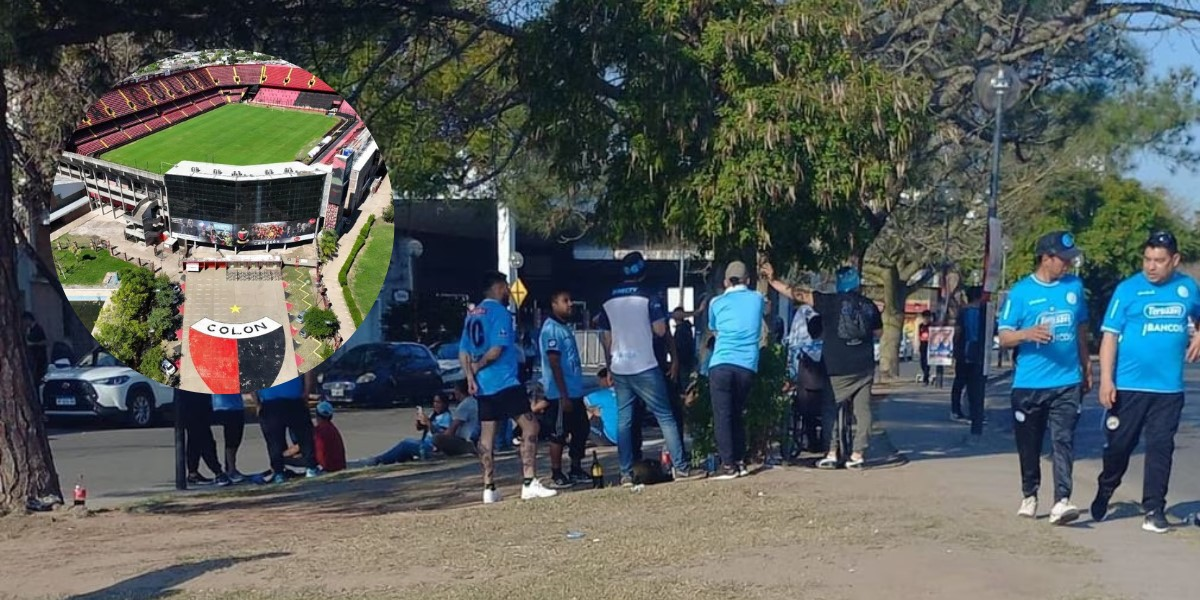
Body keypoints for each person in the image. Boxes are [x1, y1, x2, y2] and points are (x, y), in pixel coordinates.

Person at [1091, 230, 1200, 533]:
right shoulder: (1128, 290)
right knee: (1120, 447)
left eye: (1159, 261)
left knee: (1161, 447)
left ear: (1174, 261)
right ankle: (1106, 486)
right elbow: (1109, 337)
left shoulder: (1188, 288)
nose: (1151, 267)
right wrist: (1106, 381)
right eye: (1147, 259)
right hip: (1128, 387)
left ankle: (1154, 508)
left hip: (1168, 390)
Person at [997, 230, 1090, 525]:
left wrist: (1087, 367)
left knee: (1063, 440)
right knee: (1030, 444)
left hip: (1066, 381)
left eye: (1070, 259)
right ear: (1046, 258)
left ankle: (1062, 500)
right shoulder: (1021, 292)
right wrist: (1027, 334)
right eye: (1063, 259)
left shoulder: (1074, 286)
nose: (1068, 264)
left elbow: (1080, 331)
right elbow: (1004, 337)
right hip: (1029, 384)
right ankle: (1030, 493)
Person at [764, 262, 881, 470]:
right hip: (864, 366)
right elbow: (878, 334)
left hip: (836, 367)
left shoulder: (829, 302)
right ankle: (858, 453)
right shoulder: (869, 305)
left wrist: (773, 281)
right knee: (863, 410)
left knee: (830, 408)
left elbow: (798, 295)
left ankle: (831, 452)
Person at [597, 251, 700, 486]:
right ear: (643, 271)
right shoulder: (649, 296)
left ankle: (625, 473)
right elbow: (661, 330)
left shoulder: (608, 299)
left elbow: (605, 337)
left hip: (620, 365)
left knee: (625, 420)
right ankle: (681, 468)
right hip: (645, 364)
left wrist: (610, 365)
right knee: (665, 416)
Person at [459, 271, 556, 503]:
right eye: (504, 287)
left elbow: (463, 350)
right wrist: (480, 366)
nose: (507, 291)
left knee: (487, 435)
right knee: (530, 427)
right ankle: (529, 480)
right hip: (504, 380)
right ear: (496, 287)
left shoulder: (472, 315)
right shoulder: (501, 314)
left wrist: (470, 376)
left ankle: (489, 486)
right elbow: (497, 349)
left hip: (483, 386)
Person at [706, 261, 766, 480]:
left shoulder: (716, 302)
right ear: (748, 280)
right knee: (738, 413)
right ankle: (740, 460)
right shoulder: (757, 299)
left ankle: (728, 464)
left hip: (721, 362)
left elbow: (713, 327)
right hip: (746, 365)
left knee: (723, 415)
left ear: (725, 282)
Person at [540, 290, 592, 488]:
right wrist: (563, 395)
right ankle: (556, 472)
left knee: (581, 430)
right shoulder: (551, 329)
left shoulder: (564, 328)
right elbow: (554, 362)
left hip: (575, 391)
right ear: (554, 304)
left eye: (570, 300)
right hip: (561, 394)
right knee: (558, 433)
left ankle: (576, 468)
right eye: (565, 301)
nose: (570, 304)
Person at [257, 374, 320, 483]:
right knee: (304, 436)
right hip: (293, 398)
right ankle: (310, 468)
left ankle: (279, 472)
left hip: (270, 400)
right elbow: (309, 372)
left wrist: (257, 401)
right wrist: (307, 392)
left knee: (274, 440)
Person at [365, 394, 454, 465]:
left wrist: (428, 423)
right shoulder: (433, 415)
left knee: (405, 444)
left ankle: (379, 460)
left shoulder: (446, 417)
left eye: (439, 402)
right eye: (435, 402)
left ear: (445, 404)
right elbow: (420, 428)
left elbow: (442, 435)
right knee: (406, 446)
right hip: (424, 443)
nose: (436, 405)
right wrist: (419, 421)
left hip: (431, 447)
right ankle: (391, 460)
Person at [955, 287, 988, 438]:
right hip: (979, 351)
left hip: (964, 350)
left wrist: (955, 348)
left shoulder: (963, 311)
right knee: (976, 384)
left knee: (960, 382)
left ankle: (957, 410)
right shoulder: (984, 311)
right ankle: (975, 413)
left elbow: (958, 331)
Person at [178, 389, 228, 486]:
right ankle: (218, 472)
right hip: (194, 409)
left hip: (197, 408)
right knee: (205, 441)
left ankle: (193, 473)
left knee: (194, 443)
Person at [286, 401, 346, 473]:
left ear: (317, 415)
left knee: (283, 459)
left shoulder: (318, 430)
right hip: (339, 464)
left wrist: (281, 456)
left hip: (328, 465)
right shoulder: (332, 428)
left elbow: (298, 447)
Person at [432, 381, 481, 456]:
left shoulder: (464, 406)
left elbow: (452, 429)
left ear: (459, 391)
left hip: (465, 440)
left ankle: (467, 449)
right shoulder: (474, 401)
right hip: (475, 437)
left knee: (437, 438)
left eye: (455, 390)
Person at [211, 393, 248, 483]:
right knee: (231, 439)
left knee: (235, 439)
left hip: (236, 406)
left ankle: (231, 468)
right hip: (221, 406)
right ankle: (231, 470)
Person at [584, 368, 619, 446]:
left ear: (606, 379)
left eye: (600, 380)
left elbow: (580, 405)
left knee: (585, 414)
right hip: (627, 439)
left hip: (609, 439)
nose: (599, 383)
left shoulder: (601, 394)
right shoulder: (625, 394)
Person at [23, 312, 48, 386]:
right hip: (33, 358)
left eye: (25, 320)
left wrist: (33, 344)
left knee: (38, 378)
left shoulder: (38, 329)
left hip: (39, 358)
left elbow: (45, 342)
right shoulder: (29, 330)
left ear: (28, 319)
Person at [918, 311, 932, 385]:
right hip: (922, 344)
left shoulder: (931, 326)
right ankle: (925, 373)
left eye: (927, 317)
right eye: (924, 318)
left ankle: (925, 378)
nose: (926, 319)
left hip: (929, 345)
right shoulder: (921, 326)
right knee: (922, 362)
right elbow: (919, 335)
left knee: (927, 362)